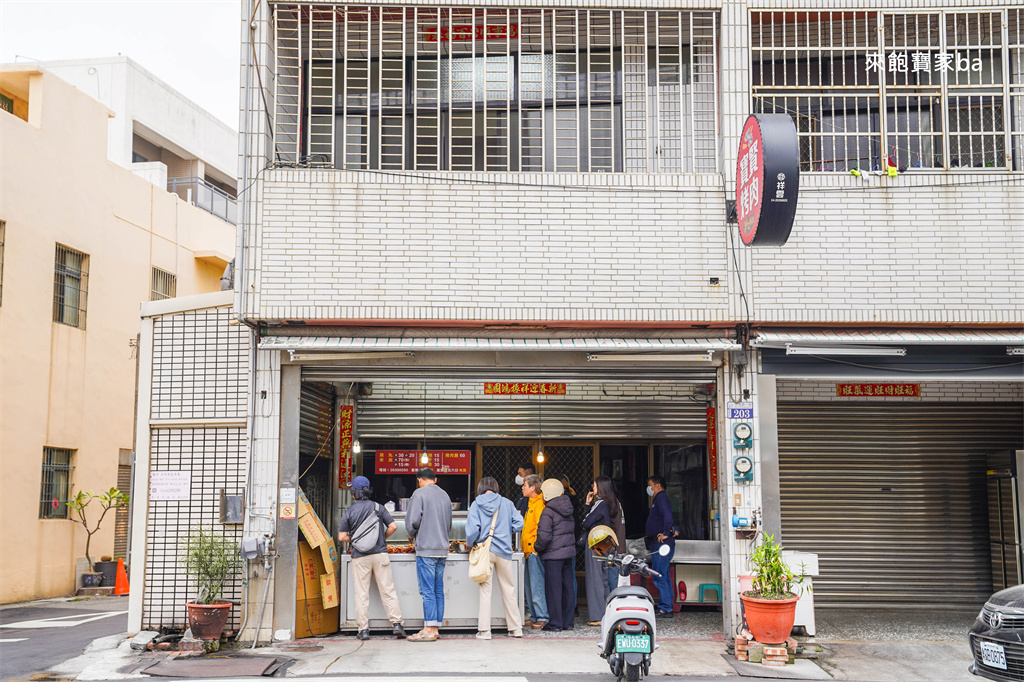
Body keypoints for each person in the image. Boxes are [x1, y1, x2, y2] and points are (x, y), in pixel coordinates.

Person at [337, 476, 407, 640]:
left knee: (361, 594)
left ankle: (364, 630)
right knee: (388, 590)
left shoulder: (350, 511)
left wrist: (356, 540)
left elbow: (341, 537)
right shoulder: (378, 507)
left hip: (359, 557)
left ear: (353, 493)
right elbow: (394, 526)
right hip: (380, 554)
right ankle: (396, 624)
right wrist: (381, 537)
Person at [466, 476, 524, 640]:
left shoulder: (477, 504)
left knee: (485, 591)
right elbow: (519, 523)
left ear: (481, 488)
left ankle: (485, 631)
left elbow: (472, 531)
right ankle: (516, 628)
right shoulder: (506, 503)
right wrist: (507, 531)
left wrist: (471, 543)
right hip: (504, 551)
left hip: (485, 551)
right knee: (509, 590)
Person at [405, 468, 452, 641]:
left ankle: (428, 630)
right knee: (438, 589)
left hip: (426, 549)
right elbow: (449, 523)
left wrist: (411, 532)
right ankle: (436, 628)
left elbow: (412, 522)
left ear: (419, 480)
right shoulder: (445, 496)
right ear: (435, 479)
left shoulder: (419, 494)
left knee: (427, 591)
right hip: (442, 549)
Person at [534, 478, 576, 632]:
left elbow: (544, 537)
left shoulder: (548, 511)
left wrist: (537, 547)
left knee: (554, 590)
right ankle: (568, 622)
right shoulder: (568, 507)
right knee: (567, 588)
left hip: (553, 555)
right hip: (567, 553)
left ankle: (555, 624)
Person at [581, 476, 617, 625]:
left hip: (596, 541)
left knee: (594, 578)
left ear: (601, 488)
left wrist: (587, 504)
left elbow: (586, 522)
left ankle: (597, 616)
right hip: (605, 542)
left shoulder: (600, 504)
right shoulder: (610, 503)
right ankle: (606, 613)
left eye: (595, 486)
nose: (593, 488)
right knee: (602, 578)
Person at [645, 475, 678, 617]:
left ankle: (665, 607)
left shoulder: (661, 498)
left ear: (657, 486)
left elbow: (668, 516)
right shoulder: (658, 499)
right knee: (662, 575)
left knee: (659, 575)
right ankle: (667, 606)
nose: (649, 488)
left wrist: (666, 532)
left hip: (662, 545)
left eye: (650, 485)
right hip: (658, 544)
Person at [520, 474, 548, 629]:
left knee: (536, 584)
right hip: (527, 550)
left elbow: (540, 529)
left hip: (533, 551)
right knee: (529, 586)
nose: (522, 487)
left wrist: (535, 549)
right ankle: (534, 615)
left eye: (525, 485)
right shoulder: (530, 503)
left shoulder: (539, 505)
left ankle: (542, 615)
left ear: (532, 488)